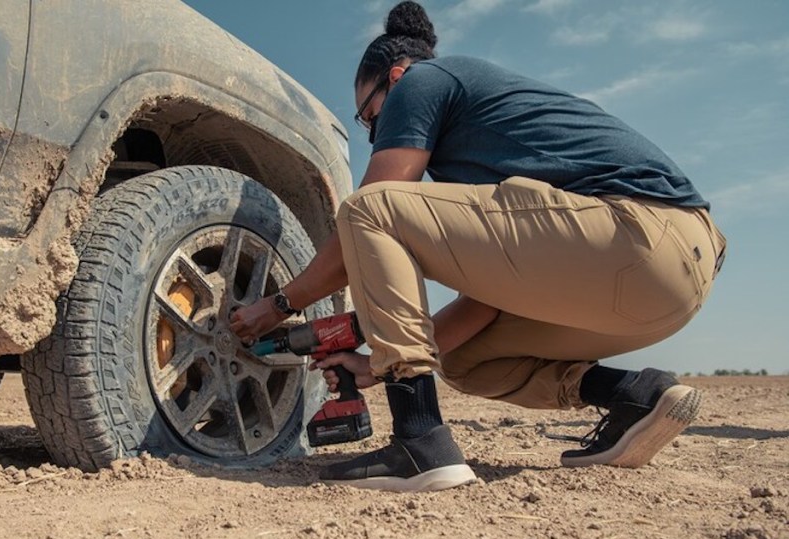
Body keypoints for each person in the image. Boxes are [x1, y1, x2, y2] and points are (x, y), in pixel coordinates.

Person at [231, 1, 726, 492]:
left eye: (370, 116)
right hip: (667, 288)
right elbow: (488, 302)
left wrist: (278, 305)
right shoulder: (483, 155)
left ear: (395, 78)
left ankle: (418, 441)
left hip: (639, 229)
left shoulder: (425, 81)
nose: (375, 133)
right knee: (467, 362)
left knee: (368, 207)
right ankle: (634, 395)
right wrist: (372, 365)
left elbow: (368, 217)